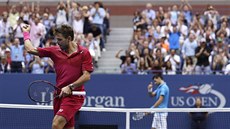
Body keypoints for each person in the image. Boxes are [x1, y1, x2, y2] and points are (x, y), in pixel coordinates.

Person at [22, 24, 93, 129]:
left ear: (69, 38)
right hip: (59, 95)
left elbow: (86, 76)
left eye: (60, 40)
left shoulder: (84, 53)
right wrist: (26, 33)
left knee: (56, 124)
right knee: (67, 127)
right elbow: (30, 49)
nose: (57, 43)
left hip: (75, 95)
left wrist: (70, 87)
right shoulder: (54, 51)